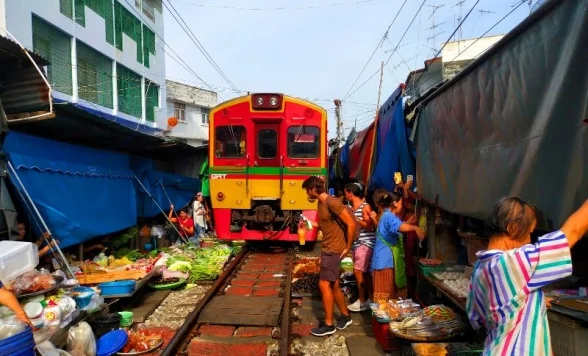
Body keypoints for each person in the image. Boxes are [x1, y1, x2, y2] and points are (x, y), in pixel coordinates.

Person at [467, 197, 588, 356]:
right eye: (530, 233)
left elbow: (479, 317)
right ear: (512, 228)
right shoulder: (512, 263)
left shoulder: (480, 268)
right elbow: (574, 230)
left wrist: (533, 301)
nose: (531, 240)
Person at [302, 176, 355, 336]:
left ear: (313, 189)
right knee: (334, 284)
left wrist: (348, 246)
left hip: (334, 249)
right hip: (329, 247)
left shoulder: (331, 202)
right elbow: (327, 224)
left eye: (307, 190)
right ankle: (345, 316)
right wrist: (310, 224)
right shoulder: (321, 203)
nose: (307, 194)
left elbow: (351, 223)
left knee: (324, 284)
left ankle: (329, 324)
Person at [370, 191, 425, 301]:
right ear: (395, 203)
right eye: (400, 203)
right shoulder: (388, 215)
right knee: (385, 299)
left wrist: (409, 223)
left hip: (387, 261)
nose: (401, 206)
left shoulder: (387, 215)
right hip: (385, 262)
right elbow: (399, 227)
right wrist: (415, 228)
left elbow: (397, 226)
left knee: (392, 298)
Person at [343, 183, 375, 312]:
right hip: (358, 244)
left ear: (351, 193)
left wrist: (354, 220)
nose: (345, 195)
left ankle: (362, 301)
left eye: (346, 192)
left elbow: (369, 226)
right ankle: (369, 299)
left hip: (365, 243)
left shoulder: (365, 207)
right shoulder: (350, 207)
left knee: (358, 271)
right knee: (364, 273)